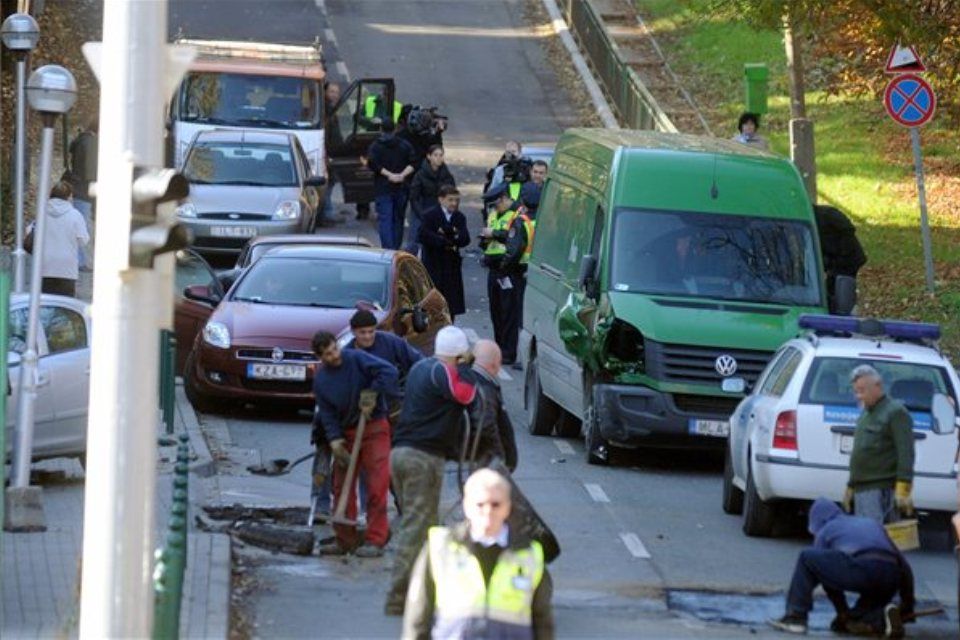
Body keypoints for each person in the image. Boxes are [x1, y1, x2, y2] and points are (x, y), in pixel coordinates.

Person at [385, 326, 478, 615]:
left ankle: (426, 593)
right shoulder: (442, 373)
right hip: (421, 459)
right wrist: (468, 369)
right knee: (415, 528)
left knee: (427, 527)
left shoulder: (420, 368)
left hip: (400, 454)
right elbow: (465, 394)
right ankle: (398, 597)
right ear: (459, 355)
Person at [402, 468, 554, 639]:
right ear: (467, 506)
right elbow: (418, 616)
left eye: (496, 504)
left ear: (507, 507)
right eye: (480, 504)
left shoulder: (529, 555)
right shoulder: (440, 547)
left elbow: (542, 620)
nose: (488, 512)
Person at [310, 330, 400, 557]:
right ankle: (345, 539)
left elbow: (389, 371)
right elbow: (327, 414)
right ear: (320, 357)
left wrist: (372, 392)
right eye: (327, 355)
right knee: (341, 487)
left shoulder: (356, 358)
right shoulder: (322, 381)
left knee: (376, 484)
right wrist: (335, 441)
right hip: (346, 433)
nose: (334, 356)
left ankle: (375, 539)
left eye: (334, 349)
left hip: (374, 428)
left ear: (336, 345)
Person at [769, 497, 912, 637]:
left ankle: (796, 618)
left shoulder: (826, 529)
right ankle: (881, 618)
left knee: (807, 557)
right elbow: (904, 566)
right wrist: (908, 604)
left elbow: (824, 575)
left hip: (862, 568)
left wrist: (841, 610)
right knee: (858, 616)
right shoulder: (870, 523)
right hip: (891, 575)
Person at [843, 365, 915, 525]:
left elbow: (906, 452)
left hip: (880, 489)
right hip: (862, 488)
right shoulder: (866, 413)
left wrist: (903, 487)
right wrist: (851, 485)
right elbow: (860, 452)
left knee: (875, 540)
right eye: (856, 391)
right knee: (866, 538)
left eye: (862, 390)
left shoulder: (895, 412)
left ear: (878, 386)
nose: (858, 396)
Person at [479, 182, 523, 365]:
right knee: (496, 312)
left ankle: (508, 352)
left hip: (509, 269)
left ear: (504, 198)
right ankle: (498, 349)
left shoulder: (518, 214)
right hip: (493, 268)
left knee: (509, 313)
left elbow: (514, 237)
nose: (494, 208)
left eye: (496, 204)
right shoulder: (494, 213)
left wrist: (494, 233)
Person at [418, 185, 470, 321]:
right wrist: (443, 240)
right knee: (433, 302)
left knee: (450, 305)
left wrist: (450, 234)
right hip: (434, 264)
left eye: (456, 200)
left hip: (451, 266)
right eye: (450, 200)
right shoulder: (430, 215)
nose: (454, 203)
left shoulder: (459, 217)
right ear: (441, 199)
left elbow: (465, 238)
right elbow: (423, 235)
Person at [466, 340, 518, 472]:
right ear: (495, 364)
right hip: (481, 465)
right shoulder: (485, 389)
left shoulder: (466, 380)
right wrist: (498, 458)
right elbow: (486, 425)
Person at [367, 120, 417, 249]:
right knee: (398, 220)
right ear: (395, 129)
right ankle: (395, 249)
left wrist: (389, 175)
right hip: (401, 187)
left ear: (381, 129)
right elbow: (414, 163)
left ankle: (388, 249)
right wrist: (401, 175)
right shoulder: (404, 145)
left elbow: (372, 164)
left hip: (383, 188)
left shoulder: (376, 146)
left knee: (385, 220)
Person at [38, 181, 91, 298]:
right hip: (67, 268)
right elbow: (84, 240)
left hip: (45, 265)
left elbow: (32, 232)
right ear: (69, 196)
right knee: (65, 304)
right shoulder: (75, 215)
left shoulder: (42, 213)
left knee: (46, 303)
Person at [405, 144, 456, 256]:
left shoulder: (446, 175)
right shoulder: (420, 174)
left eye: (441, 155)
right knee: (414, 242)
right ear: (429, 156)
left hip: (440, 210)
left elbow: (452, 194)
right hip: (422, 209)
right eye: (435, 155)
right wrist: (421, 214)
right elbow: (414, 197)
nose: (439, 158)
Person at [814, 204, 867, 299]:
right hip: (844, 258)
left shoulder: (824, 217)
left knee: (839, 291)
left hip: (846, 260)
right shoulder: (824, 215)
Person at [67, 118, 98, 271]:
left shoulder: (81, 140)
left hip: (78, 188)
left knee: (80, 224)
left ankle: (80, 259)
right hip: (86, 190)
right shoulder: (91, 143)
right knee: (83, 227)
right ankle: (81, 261)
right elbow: (91, 172)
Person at [320, 81, 345, 226]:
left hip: (332, 153)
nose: (335, 95)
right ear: (325, 92)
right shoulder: (326, 110)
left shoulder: (331, 109)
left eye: (336, 92)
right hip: (328, 154)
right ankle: (326, 213)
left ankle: (327, 211)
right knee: (328, 183)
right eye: (332, 91)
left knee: (330, 182)